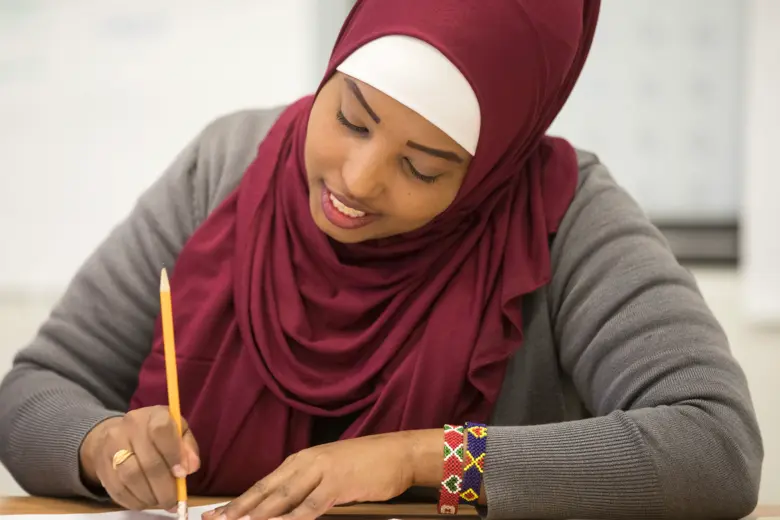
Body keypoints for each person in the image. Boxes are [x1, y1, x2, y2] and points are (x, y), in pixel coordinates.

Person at [0, 1, 763, 519]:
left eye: (424, 167)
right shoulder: (226, 166)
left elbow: (715, 445)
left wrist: (419, 459)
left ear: (491, 166)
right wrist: (102, 446)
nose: (357, 183)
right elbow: (34, 393)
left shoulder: (564, 217)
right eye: (350, 119)